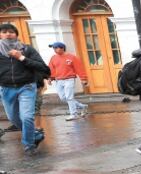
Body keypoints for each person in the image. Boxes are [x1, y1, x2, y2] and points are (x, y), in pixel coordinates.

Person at [0, 22, 48, 154]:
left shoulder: (27, 49)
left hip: (26, 87)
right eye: (4, 32)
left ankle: (29, 145)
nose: (8, 34)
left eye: (11, 32)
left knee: (27, 117)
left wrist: (21, 57)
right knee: (14, 119)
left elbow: (43, 67)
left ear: (16, 35)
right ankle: (34, 135)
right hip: (6, 88)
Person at [46, 41, 88, 121]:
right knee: (63, 98)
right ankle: (82, 106)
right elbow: (51, 69)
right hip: (58, 80)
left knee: (69, 97)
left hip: (69, 79)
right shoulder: (53, 58)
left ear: (62, 48)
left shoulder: (72, 57)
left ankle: (73, 114)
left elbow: (79, 68)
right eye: (54, 48)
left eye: (55, 48)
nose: (54, 49)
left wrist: (83, 79)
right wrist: (50, 78)